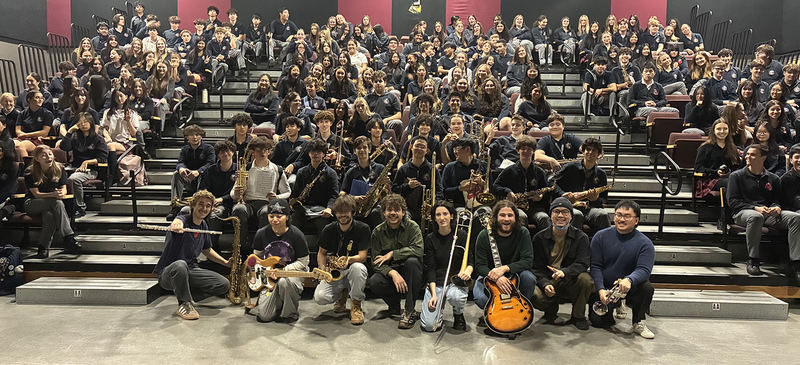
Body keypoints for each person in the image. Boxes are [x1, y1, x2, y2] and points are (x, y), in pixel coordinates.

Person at [154, 190, 232, 320]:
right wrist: (176, 223)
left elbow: (207, 250)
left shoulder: (203, 225)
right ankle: (184, 303)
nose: (204, 208)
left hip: (191, 270)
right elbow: (178, 220)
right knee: (180, 264)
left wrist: (225, 263)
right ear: (193, 206)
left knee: (223, 284)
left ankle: (187, 293)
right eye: (201, 204)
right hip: (169, 272)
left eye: (208, 205)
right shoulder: (183, 218)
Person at [728, 144, 800, 281]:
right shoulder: (736, 176)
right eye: (747, 154)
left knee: (796, 218)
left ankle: (796, 263)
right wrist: (755, 208)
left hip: (767, 214)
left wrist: (777, 207)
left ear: (763, 158)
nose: (748, 156)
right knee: (755, 217)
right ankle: (753, 259)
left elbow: (778, 199)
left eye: (752, 154)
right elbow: (733, 201)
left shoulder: (773, 178)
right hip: (743, 212)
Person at [589, 199, 655, 338]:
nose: (621, 219)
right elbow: (595, 266)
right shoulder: (600, 237)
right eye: (618, 215)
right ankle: (617, 305)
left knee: (647, 287)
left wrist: (629, 280)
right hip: (607, 288)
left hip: (630, 287)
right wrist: (600, 289)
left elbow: (644, 269)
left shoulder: (645, 243)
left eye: (627, 216)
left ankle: (638, 321)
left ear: (636, 220)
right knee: (599, 322)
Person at [531, 197, 594, 330]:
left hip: (568, 280)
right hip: (549, 278)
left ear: (571, 216)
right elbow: (535, 267)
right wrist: (544, 283)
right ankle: (550, 309)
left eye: (565, 212)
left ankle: (578, 316)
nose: (560, 215)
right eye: (556, 211)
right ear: (550, 215)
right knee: (535, 295)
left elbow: (583, 263)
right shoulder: (539, 238)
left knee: (585, 279)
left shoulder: (581, 237)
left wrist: (565, 272)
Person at [368, 193, 424, 329]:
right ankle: (394, 305)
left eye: (397, 210)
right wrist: (392, 273)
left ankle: (410, 310)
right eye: (389, 210)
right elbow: (375, 262)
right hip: (392, 275)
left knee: (412, 262)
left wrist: (393, 254)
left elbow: (418, 250)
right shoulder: (377, 232)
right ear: (384, 212)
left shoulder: (412, 227)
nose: (393, 213)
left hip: (412, 274)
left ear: (403, 212)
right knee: (374, 282)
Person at [472, 200, 536, 318]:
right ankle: (495, 312)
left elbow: (527, 261)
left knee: (529, 278)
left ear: (516, 218)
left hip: (515, 274)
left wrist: (504, 269)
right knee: (479, 296)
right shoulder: (484, 235)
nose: (506, 219)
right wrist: (496, 277)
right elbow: (480, 266)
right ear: (495, 217)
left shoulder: (523, 233)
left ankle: (520, 309)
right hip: (490, 275)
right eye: (502, 215)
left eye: (510, 215)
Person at [313, 195, 369, 325]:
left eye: (346, 212)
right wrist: (322, 269)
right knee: (320, 297)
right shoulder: (328, 230)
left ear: (353, 213)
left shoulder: (362, 228)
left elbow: (362, 256)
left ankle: (356, 304)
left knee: (358, 268)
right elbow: (321, 252)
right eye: (339, 212)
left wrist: (348, 260)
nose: (342, 215)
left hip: (352, 270)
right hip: (334, 272)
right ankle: (342, 295)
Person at [251, 198, 310, 322]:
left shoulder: (297, 235)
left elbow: (303, 262)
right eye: (271, 216)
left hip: (292, 274)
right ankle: (278, 303)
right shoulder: (261, 234)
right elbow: (257, 258)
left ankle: (289, 313)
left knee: (284, 282)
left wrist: (284, 270)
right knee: (264, 316)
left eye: (279, 216)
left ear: (287, 217)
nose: (275, 220)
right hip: (269, 276)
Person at [230, 136, 291, 252]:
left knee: (266, 213)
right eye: (259, 150)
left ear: (269, 151)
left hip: (266, 203)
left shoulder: (277, 169)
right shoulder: (245, 168)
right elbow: (233, 194)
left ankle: (260, 247)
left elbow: (287, 192)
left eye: (265, 149)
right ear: (253, 151)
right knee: (238, 209)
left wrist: (277, 197)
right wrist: (237, 192)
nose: (263, 152)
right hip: (248, 202)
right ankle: (240, 247)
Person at [419, 201, 471, 332]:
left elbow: (470, 260)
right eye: (438, 215)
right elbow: (430, 267)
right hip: (437, 282)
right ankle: (437, 313)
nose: (442, 218)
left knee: (455, 296)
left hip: (455, 280)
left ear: (452, 216)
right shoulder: (430, 238)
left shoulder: (462, 235)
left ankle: (458, 314)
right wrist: (433, 294)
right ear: (434, 218)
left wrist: (468, 271)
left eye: (445, 214)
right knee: (429, 326)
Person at [24, 146, 80, 258]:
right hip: (33, 203)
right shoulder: (30, 172)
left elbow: (64, 188)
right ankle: (68, 237)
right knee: (56, 203)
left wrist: (61, 194)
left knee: (50, 216)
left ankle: (43, 248)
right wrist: (53, 195)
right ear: (37, 158)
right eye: (44, 155)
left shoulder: (60, 169)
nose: (48, 157)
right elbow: (36, 194)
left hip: (51, 205)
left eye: (50, 154)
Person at [492, 135, 552, 231]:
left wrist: (541, 197)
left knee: (544, 218)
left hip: (535, 208)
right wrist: (507, 191)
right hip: (516, 207)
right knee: (521, 217)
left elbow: (547, 192)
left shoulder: (539, 172)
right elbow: (495, 186)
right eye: (523, 149)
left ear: (533, 151)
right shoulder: (509, 170)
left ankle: (546, 244)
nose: (526, 152)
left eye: (529, 149)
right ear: (517, 150)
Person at [553, 137, 612, 230]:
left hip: (589, 209)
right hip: (570, 206)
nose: (590, 153)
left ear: (599, 155)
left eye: (594, 150)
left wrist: (596, 200)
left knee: (603, 214)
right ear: (583, 152)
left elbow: (603, 199)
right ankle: (572, 244)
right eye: (588, 149)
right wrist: (562, 194)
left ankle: (605, 242)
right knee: (577, 215)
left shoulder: (601, 174)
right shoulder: (570, 167)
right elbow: (552, 183)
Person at [61, 112, 108, 218]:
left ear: (91, 123)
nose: (82, 124)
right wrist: (69, 132)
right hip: (74, 167)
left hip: (91, 170)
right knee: (57, 174)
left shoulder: (98, 139)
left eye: (85, 122)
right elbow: (65, 147)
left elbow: (102, 158)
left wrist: (87, 162)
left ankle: (80, 207)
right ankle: (65, 206)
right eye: (80, 122)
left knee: (74, 179)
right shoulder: (75, 138)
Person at [289, 138, 339, 237]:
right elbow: (296, 193)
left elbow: (334, 195)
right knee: (293, 224)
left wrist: (329, 208)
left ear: (324, 154)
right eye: (312, 151)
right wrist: (293, 200)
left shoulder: (331, 173)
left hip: (322, 209)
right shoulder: (301, 172)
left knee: (324, 226)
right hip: (304, 207)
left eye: (318, 151)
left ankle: (324, 251)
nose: (315, 154)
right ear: (308, 153)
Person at [169, 125, 215, 218]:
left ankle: (197, 203)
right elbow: (180, 162)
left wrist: (198, 171)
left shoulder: (208, 148)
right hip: (189, 178)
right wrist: (182, 168)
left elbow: (211, 164)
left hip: (202, 179)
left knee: (204, 173)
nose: (194, 137)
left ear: (201, 136)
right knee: (176, 174)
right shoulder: (185, 149)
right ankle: (176, 204)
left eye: (197, 135)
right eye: (191, 135)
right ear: (187, 137)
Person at [339, 136, 384, 228]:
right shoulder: (351, 172)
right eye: (358, 148)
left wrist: (386, 185)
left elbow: (387, 192)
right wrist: (355, 198)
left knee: (377, 212)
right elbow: (342, 193)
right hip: (357, 206)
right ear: (354, 151)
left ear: (370, 149)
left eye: (364, 147)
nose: (362, 150)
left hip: (375, 206)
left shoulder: (380, 169)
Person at [441, 137, 484, 208]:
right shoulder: (450, 167)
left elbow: (492, 190)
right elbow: (443, 192)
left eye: (457, 149)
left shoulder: (483, 165)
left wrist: (482, 183)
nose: (454, 152)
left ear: (467, 149)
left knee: (486, 212)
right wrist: (460, 188)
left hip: (481, 205)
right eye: (454, 149)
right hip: (458, 207)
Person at [15, 91, 54, 159]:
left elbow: (44, 132)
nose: (40, 100)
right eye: (37, 97)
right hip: (24, 138)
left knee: (21, 146)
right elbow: (18, 131)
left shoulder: (47, 114)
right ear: (29, 100)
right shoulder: (22, 114)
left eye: (42, 98)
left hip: (39, 139)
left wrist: (27, 135)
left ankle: (27, 167)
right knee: (12, 144)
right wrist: (23, 135)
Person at [781, 145, 800, 213]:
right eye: (797, 157)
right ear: (791, 160)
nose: (799, 160)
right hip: (792, 210)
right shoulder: (786, 179)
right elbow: (795, 201)